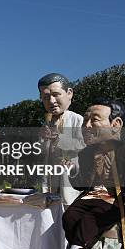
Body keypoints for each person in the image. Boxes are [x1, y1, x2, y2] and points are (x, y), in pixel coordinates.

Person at [45, 99, 125, 249]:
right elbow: (81, 184)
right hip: (94, 194)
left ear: (116, 125)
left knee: (88, 222)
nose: (86, 126)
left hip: (116, 198)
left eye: (94, 120)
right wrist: (72, 171)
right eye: (85, 121)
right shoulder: (86, 154)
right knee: (70, 217)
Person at [38, 73, 86, 205]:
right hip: (49, 183)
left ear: (69, 93)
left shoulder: (78, 120)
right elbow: (42, 153)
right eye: (46, 97)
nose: (51, 101)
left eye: (56, 94)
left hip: (70, 184)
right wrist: (42, 141)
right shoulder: (45, 125)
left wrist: (58, 138)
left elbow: (83, 144)